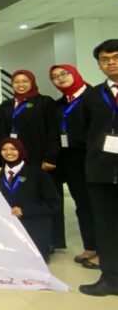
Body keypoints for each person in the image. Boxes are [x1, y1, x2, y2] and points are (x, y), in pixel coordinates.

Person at [79, 40, 118, 296]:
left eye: (115, 57)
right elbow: (85, 130)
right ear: (99, 65)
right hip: (101, 172)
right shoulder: (93, 95)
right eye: (105, 59)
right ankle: (111, 279)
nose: (111, 63)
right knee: (106, 228)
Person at [49, 64, 98, 269]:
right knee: (83, 205)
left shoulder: (94, 96)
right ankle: (91, 247)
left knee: (100, 205)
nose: (60, 78)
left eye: (64, 73)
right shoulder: (61, 103)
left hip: (93, 158)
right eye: (55, 77)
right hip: (71, 161)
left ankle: (105, 251)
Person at [0, 138, 60, 263]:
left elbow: (54, 204)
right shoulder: (0, 174)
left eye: (13, 149)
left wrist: (25, 211)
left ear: (21, 150)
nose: (8, 152)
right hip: (10, 233)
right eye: (4, 149)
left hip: (34, 231)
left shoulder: (38, 174)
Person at [0, 70, 60, 171]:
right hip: (13, 156)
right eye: (16, 82)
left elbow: (53, 131)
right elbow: (2, 132)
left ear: (32, 82)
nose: (20, 85)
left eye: (25, 81)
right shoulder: (5, 105)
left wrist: (50, 157)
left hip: (39, 157)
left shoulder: (45, 102)